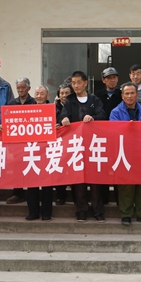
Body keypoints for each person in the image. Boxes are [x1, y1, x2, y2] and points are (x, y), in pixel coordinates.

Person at [58, 71, 106, 222]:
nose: (76, 86)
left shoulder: (94, 99)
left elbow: (102, 116)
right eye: (73, 83)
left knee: (95, 180)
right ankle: (81, 211)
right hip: (76, 146)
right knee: (78, 180)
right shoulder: (70, 100)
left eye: (79, 82)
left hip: (93, 145)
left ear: (85, 83)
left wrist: (93, 118)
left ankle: (98, 211)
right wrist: (64, 119)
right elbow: (63, 116)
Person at [110, 82, 141, 225]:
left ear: (137, 95)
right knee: (126, 185)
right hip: (124, 152)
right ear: (122, 96)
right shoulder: (116, 112)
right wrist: (128, 128)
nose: (129, 96)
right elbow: (113, 131)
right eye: (127, 93)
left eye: (132, 93)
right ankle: (126, 214)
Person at [5, 77, 37, 205]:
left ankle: (31, 193)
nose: (20, 90)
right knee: (17, 167)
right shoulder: (11, 103)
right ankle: (18, 194)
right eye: (18, 87)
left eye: (23, 87)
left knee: (31, 166)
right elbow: (6, 119)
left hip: (32, 142)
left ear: (29, 88)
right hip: (16, 143)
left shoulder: (34, 102)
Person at [94, 67, 122, 205]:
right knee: (103, 166)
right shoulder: (97, 95)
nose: (112, 80)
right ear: (104, 80)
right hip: (101, 135)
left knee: (118, 164)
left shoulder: (122, 94)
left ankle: (118, 198)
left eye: (114, 77)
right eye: (109, 78)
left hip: (118, 135)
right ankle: (103, 198)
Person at [27, 85, 54, 221]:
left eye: (42, 93)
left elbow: (61, 125)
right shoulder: (27, 110)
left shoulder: (54, 110)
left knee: (47, 184)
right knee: (31, 183)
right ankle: (33, 212)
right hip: (31, 151)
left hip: (48, 151)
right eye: (37, 93)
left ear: (48, 95)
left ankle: (46, 213)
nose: (38, 96)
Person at [54, 83, 73, 206]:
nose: (64, 95)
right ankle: (60, 196)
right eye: (62, 93)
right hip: (58, 144)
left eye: (67, 93)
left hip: (73, 142)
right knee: (59, 169)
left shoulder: (74, 105)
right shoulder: (53, 108)